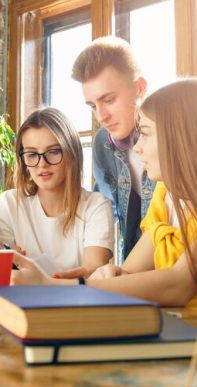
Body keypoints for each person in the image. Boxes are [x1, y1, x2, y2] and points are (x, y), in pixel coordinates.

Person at [11, 78, 197, 306]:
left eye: (146, 134)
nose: (137, 148)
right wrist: (113, 274)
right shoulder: (165, 194)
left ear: (181, 139)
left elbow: (178, 285)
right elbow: (129, 270)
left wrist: (51, 285)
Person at [0, 107, 114, 276]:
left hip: (77, 301)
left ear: (72, 153)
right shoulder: (9, 203)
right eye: (31, 154)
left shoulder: (96, 206)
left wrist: (46, 282)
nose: (42, 163)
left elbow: (93, 274)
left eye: (53, 152)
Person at [71, 36, 156, 264]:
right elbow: (105, 215)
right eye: (92, 106)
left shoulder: (175, 135)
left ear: (140, 88)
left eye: (108, 100)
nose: (101, 116)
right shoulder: (102, 143)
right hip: (134, 273)